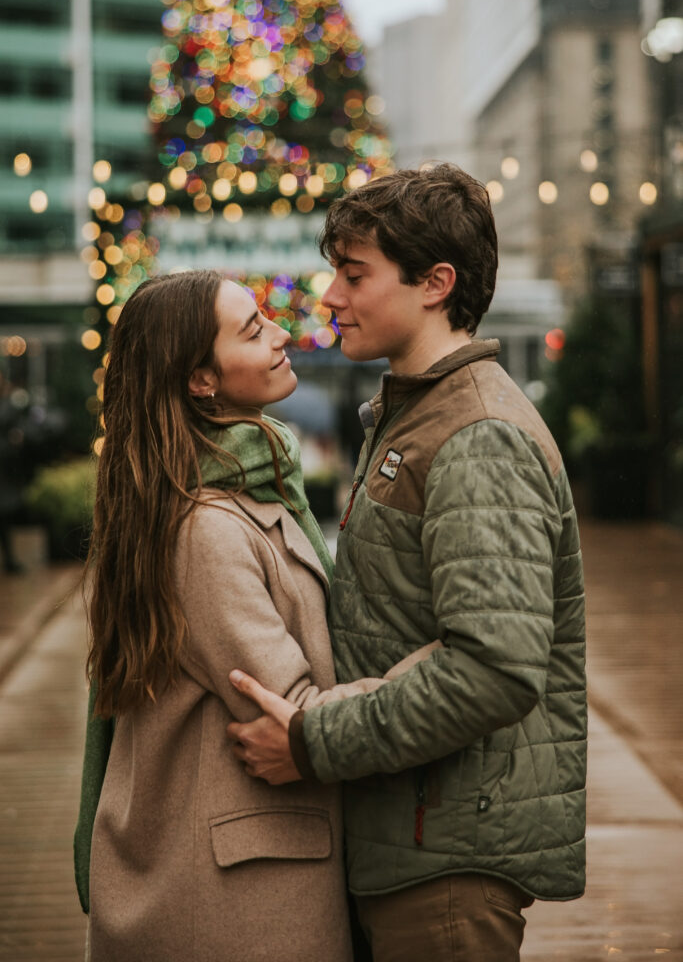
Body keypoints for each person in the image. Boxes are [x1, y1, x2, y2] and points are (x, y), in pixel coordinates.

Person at [226, 164, 587, 962]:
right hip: (411, 842)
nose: (329, 297)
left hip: (446, 864)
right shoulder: (417, 418)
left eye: (354, 275)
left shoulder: (476, 434)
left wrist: (315, 742)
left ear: (435, 283)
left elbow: (494, 667)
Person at [75, 269, 432, 962]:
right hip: (237, 901)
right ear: (200, 380)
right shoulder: (206, 529)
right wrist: (438, 663)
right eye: (251, 328)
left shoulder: (240, 495)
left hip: (239, 878)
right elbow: (289, 710)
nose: (278, 333)